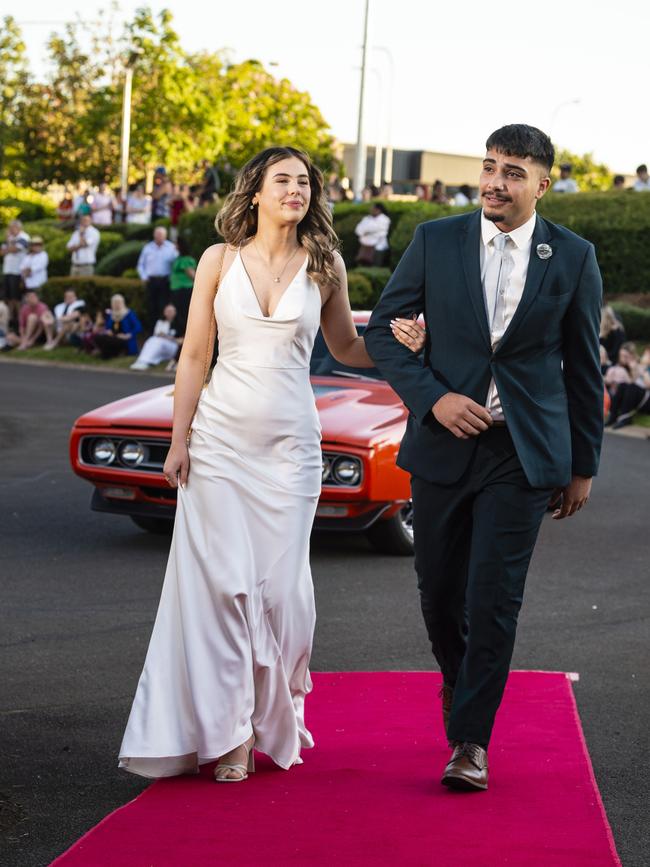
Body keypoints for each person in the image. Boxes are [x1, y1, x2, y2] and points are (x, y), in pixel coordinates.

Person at [118, 145, 424, 783]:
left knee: (284, 596)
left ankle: (271, 715)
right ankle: (229, 735)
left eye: (304, 181)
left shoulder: (326, 263)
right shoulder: (217, 260)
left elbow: (344, 347)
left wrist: (402, 342)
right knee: (224, 591)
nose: (296, 190)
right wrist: (178, 441)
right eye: (282, 180)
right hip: (219, 444)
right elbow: (194, 355)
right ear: (254, 191)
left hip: (291, 453)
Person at [365, 124, 604, 792]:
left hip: (523, 453)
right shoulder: (435, 240)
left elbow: (583, 368)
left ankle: (471, 740)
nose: (496, 182)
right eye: (491, 166)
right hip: (444, 443)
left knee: (494, 596)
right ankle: (462, 680)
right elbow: (383, 328)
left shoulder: (574, 257)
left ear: (543, 183)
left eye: (514, 172)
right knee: (440, 593)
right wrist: (433, 398)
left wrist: (583, 463)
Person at [136, 226, 178, 329]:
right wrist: (144, 276)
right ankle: (152, 330)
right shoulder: (148, 247)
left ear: (165, 236)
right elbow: (140, 265)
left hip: (165, 280)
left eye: (161, 235)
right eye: (157, 234)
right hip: (151, 280)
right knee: (151, 306)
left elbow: (176, 264)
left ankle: (164, 329)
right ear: (154, 235)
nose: (159, 237)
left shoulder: (171, 247)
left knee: (163, 305)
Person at [129, 303, 184, 370]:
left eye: (171, 311)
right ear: (164, 312)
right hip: (161, 345)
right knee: (152, 340)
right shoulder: (160, 322)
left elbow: (182, 340)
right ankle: (141, 361)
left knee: (158, 341)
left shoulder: (180, 324)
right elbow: (157, 334)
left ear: (175, 312)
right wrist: (165, 337)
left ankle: (146, 361)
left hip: (174, 347)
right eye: (168, 311)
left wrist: (169, 338)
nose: (169, 313)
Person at [606, 347, 650, 429]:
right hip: (638, 396)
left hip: (647, 401)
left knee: (631, 386)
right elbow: (633, 380)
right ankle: (613, 415)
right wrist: (634, 369)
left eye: (647, 354)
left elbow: (648, 385)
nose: (644, 356)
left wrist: (644, 372)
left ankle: (625, 418)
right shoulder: (642, 366)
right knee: (623, 385)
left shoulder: (645, 369)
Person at [93, 294, 142, 359]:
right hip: (112, 336)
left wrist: (128, 335)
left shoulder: (129, 314)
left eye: (118, 303)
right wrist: (108, 331)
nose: (116, 305)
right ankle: (108, 354)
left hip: (123, 338)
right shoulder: (111, 314)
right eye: (114, 303)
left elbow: (138, 327)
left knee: (111, 341)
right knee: (98, 337)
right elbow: (107, 327)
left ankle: (107, 355)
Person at [1, 220, 30, 323]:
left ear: (18, 228)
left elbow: (15, 249)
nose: (10, 230)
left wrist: (9, 246)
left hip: (17, 271)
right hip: (7, 271)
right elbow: (2, 252)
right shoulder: (10, 238)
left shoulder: (24, 237)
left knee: (16, 297)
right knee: (8, 297)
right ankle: (9, 318)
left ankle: (19, 319)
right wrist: (10, 244)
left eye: (12, 227)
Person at [169, 237, 197, 326]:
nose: (174, 246)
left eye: (176, 244)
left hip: (184, 290)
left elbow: (193, 276)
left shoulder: (186, 260)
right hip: (178, 290)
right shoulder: (179, 258)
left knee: (183, 313)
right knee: (179, 313)